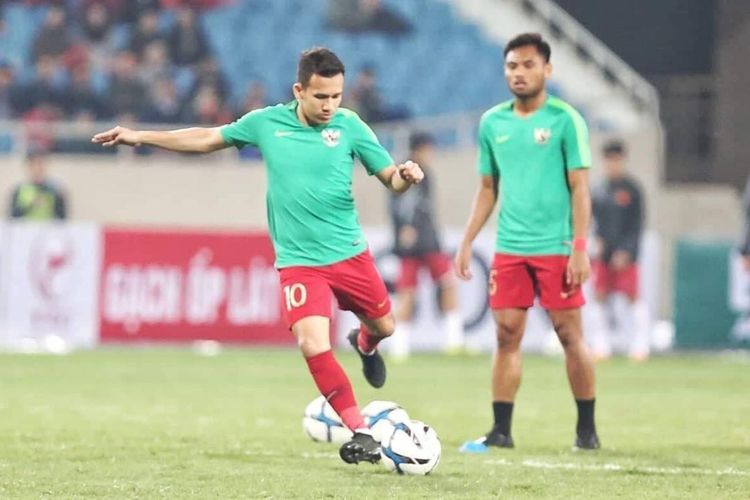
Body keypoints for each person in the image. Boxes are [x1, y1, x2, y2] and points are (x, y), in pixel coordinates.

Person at [91, 47, 424, 466]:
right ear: (299, 90)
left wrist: (405, 177)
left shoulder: (351, 126)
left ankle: (365, 344)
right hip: (300, 263)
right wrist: (141, 136)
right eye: (321, 96)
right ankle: (361, 431)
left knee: (386, 325)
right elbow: (208, 138)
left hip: (350, 255)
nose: (329, 105)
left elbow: (390, 178)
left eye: (336, 96)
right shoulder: (267, 123)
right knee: (311, 342)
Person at [454, 33, 600, 452]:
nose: (519, 73)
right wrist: (467, 241)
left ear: (547, 70)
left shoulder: (565, 120)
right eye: (512, 66)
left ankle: (586, 431)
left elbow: (580, 189)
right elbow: (487, 188)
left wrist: (579, 247)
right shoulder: (492, 123)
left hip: (555, 247)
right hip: (510, 248)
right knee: (505, 335)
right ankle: (501, 431)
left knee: (569, 336)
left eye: (527, 65)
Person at [388, 132, 464, 359]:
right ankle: (453, 339)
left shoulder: (398, 171)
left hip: (415, 242)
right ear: (419, 149)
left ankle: (400, 347)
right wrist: (408, 227)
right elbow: (409, 204)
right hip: (424, 241)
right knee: (444, 284)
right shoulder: (415, 172)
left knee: (409, 290)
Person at [588, 140, 649, 362]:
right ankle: (601, 344)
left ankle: (640, 344)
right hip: (603, 254)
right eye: (608, 160)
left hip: (626, 254)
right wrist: (596, 242)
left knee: (632, 297)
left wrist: (626, 251)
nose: (612, 165)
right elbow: (592, 220)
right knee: (599, 296)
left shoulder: (632, 190)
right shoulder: (598, 189)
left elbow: (637, 225)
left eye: (616, 160)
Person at [8, 151, 67, 220]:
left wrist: (61, 199)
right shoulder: (19, 189)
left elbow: (62, 217)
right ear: (28, 167)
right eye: (33, 164)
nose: (37, 168)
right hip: (25, 229)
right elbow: (13, 216)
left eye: (40, 164)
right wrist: (32, 205)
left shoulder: (54, 189)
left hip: (48, 229)